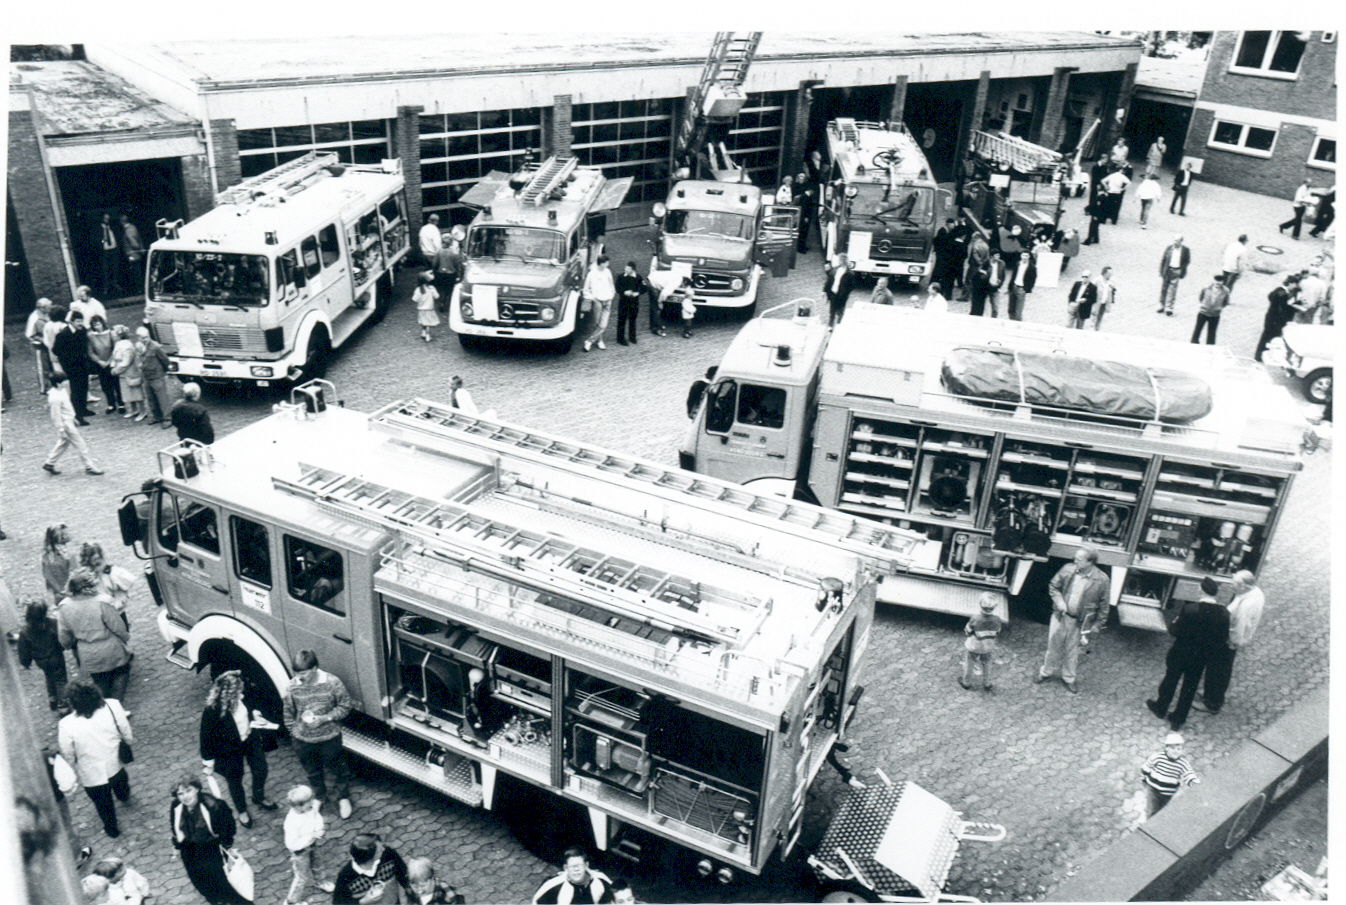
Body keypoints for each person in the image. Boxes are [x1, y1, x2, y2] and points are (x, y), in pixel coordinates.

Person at [1146, 576, 1230, 730]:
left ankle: (1161, 707)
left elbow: (1174, 630)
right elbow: (1222, 639)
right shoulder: (1224, 614)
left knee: (1170, 679)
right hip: (1201, 657)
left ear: (1201, 591)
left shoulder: (1190, 609)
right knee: (1190, 687)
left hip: (1181, 653)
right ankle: (1178, 718)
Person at [283, 649, 354, 820]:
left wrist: (325, 718)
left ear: (314, 668)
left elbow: (345, 705)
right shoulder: (292, 686)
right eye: (297, 673)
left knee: (338, 768)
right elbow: (288, 713)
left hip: (330, 737)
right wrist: (294, 734)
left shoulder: (332, 682)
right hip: (303, 740)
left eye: (303, 673)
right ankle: (319, 796)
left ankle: (343, 797)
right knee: (312, 771)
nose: (299, 677)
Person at [57, 681, 133, 838]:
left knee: (102, 803)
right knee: (120, 781)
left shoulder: (66, 725)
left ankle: (112, 829)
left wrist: (72, 766)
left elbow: (68, 751)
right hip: (115, 761)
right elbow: (124, 727)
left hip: (91, 772)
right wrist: (128, 740)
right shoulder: (112, 705)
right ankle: (123, 796)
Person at [201, 670, 276, 829]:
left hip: (249, 738)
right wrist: (208, 762)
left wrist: (255, 714)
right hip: (229, 750)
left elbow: (251, 704)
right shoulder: (212, 711)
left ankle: (258, 796)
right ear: (229, 695)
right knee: (235, 780)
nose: (242, 694)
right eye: (238, 692)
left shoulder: (242, 696)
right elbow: (206, 738)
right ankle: (241, 810)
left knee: (261, 768)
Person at [1034, 548, 1108, 694]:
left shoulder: (1102, 580)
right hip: (1060, 617)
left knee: (1072, 652)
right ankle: (1046, 672)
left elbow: (1104, 604)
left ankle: (1069, 678)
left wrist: (1098, 624)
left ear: (1090, 562)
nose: (1075, 561)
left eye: (1079, 559)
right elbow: (1053, 586)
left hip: (1080, 622)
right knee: (1053, 647)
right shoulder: (1068, 569)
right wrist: (1059, 602)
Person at [169, 776, 249, 905]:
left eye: (188, 790)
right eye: (180, 793)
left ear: (197, 789)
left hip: (212, 849)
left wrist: (226, 846)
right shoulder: (176, 805)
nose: (185, 797)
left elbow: (228, 827)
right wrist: (177, 846)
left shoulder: (214, 805)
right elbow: (175, 827)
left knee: (226, 884)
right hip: (189, 850)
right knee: (201, 883)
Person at [57, 569, 132, 700]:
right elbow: (117, 627)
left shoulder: (64, 606)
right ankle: (117, 704)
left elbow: (64, 636)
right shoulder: (103, 601)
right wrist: (125, 639)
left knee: (100, 682)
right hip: (111, 649)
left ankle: (105, 705)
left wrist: (68, 645)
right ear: (89, 586)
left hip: (88, 653)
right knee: (121, 674)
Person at [1200, 570, 1265, 715]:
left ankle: (1212, 703)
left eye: (1234, 584)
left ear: (1243, 586)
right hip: (1229, 638)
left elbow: (1239, 626)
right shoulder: (1252, 593)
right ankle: (1210, 694)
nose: (1231, 586)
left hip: (1228, 640)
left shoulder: (1247, 604)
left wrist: (1231, 642)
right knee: (1219, 669)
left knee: (1217, 670)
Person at [42, 373, 104, 476]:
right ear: (58, 384)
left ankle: (49, 463)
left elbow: (67, 407)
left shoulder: (61, 391)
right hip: (66, 425)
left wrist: (73, 417)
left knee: (63, 443)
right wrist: (61, 429)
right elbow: (56, 416)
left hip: (68, 421)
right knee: (81, 445)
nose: (67, 383)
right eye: (64, 382)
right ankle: (89, 466)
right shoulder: (55, 398)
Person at [285, 784, 336, 904]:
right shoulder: (292, 822)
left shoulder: (309, 809)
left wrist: (319, 828)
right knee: (301, 877)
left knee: (318, 864)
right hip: (300, 852)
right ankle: (291, 901)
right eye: (309, 802)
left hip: (312, 845)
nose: (313, 803)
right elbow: (292, 844)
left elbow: (316, 817)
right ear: (299, 806)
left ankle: (320, 882)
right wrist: (311, 836)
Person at [18, 599, 70, 711]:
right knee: (61, 680)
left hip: (41, 661)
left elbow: (23, 650)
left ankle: (52, 698)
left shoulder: (25, 631)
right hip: (56, 656)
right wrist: (62, 648)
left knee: (49, 677)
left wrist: (26, 663)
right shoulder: (52, 623)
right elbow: (61, 638)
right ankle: (63, 704)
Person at [332, 833, 411, 905]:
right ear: (368, 858)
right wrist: (362, 902)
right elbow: (338, 902)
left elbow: (402, 871)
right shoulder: (346, 877)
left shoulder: (388, 854)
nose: (383, 849)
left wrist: (409, 889)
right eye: (379, 851)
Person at [1140, 732, 1199, 817]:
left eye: (1179, 749)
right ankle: (1150, 821)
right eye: (1172, 748)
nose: (1176, 751)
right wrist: (1144, 778)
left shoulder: (1182, 763)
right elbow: (1146, 767)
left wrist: (1194, 782)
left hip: (1168, 793)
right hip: (1153, 789)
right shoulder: (1157, 757)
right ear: (1166, 748)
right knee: (1151, 810)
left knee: (1163, 810)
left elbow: (1188, 774)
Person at [51, 309, 95, 422]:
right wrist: (67, 358)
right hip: (71, 366)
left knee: (84, 386)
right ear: (71, 321)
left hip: (82, 363)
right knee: (76, 389)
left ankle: (83, 408)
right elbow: (56, 350)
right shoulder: (63, 334)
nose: (80, 323)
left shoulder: (82, 330)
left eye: (81, 321)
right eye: (78, 321)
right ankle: (77, 414)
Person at [532, 847, 614, 905]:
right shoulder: (552, 885)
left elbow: (615, 898)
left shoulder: (600, 880)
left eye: (579, 865)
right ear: (565, 868)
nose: (576, 869)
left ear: (586, 865)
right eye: (572, 866)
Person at [960, 593, 1004, 692]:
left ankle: (966, 683)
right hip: (988, 646)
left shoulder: (975, 618)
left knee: (970, 662)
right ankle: (987, 683)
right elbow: (997, 632)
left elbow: (967, 631)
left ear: (980, 605)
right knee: (987, 663)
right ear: (994, 607)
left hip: (974, 646)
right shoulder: (997, 620)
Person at [1253, 274, 1302, 361]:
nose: (1295, 287)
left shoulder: (1278, 290)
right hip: (1276, 320)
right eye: (1295, 284)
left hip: (1270, 317)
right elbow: (1282, 309)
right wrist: (1292, 310)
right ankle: (1262, 355)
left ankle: (1259, 355)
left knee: (1265, 336)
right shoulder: (1283, 294)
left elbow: (1270, 296)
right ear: (1290, 283)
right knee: (1271, 338)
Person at [135, 326, 174, 426]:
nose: (145, 339)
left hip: (157, 376)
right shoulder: (139, 346)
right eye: (142, 338)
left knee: (162, 398)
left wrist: (166, 372)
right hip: (146, 376)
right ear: (138, 338)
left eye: (146, 337)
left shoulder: (155, 347)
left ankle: (167, 418)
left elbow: (165, 360)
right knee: (151, 398)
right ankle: (157, 416)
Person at [581, 255, 616, 352]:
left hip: (608, 301)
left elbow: (611, 285)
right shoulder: (591, 274)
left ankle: (589, 341)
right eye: (607, 263)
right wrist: (593, 298)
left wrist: (611, 295)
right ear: (601, 263)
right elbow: (585, 290)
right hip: (598, 301)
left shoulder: (608, 271)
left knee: (603, 324)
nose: (608, 264)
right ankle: (600, 341)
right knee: (597, 323)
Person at [110, 325, 145, 420]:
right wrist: (113, 366)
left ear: (119, 335)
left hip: (130, 372)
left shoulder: (127, 346)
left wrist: (116, 370)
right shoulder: (118, 344)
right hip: (123, 373)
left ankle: (142, 411)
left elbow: (126, 362)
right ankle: (133, 410)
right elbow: (114, 357)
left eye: (113, 334)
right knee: (127, 393)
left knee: (136, 392)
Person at [42, 523, 77, 606]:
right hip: (69, 591)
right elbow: (74, 571)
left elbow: (48, 576)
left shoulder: (46, 556)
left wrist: (59, 590)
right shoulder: (69, 554)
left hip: (59, 592)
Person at [1156, 235, 1191, 316]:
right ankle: (1162, 305)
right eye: (1174, 240)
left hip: (1176, 270)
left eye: (1177, 241)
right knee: (1164, 289)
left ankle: (1169, 308)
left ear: (1181, 241)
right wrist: (1161, 271)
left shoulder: (1185, 250)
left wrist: (1181, 269)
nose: (1175, 242)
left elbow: (1187, 260)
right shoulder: (1169, 248)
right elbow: (1163, 259)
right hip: (1167, 270)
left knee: (1172, 290)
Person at [1191, 274, 1230, 345]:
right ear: (1213, 281)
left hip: (1215, 315)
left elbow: (1225, 302)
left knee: (1212, 332)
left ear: (1223, 282)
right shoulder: (1206, 288)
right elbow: (1201, 298)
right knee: (1197, 330)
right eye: (1216, 280)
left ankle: (1210, 346)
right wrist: (1204, 305)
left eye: (1220, 281)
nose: (1218, 283)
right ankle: (1194, 344)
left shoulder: (1226, 291)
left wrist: (1218, 308)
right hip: (1203, 313)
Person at [25, 297, 54, 393]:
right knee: (43, 366)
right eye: (48, 307)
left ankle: (53, 384)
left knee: (51, 364)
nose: (50, 308)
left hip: (48, 344)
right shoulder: (34, 318)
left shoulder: (47, 314)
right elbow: (30, 334)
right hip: (39, 346)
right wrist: (42, 340)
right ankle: (44, 387)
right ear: (42, 308)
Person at [614, 261, 646, 346]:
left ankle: (632, 337)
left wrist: (637, 293)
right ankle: (620, 338)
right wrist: (624, 292)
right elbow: (617, 287)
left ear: (632, 270)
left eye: (628, 269)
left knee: (633, 319)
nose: (625, 270)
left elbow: (644, 287)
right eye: (625, 268)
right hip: (623, 301)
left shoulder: (638, 277)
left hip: (634, 302)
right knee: (622, 319)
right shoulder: (621, 277)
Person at [432, 232, 462, 313]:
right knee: (449, 290)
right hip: (451, 274)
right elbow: (457, 265)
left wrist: (434, 271)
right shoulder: (454, 252)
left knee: (441, 289)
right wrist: (458, 275)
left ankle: (441, 303)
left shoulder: (438, 251)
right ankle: (448, 304)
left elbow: (434, 263)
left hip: (441, 274)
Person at [1005, 245, 1037, 321]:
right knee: (1011, 309)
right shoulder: (1018, 264)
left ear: (1029, 257)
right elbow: (1013, 275)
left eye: (1026, 256)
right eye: (1023, 255)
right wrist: (1010, 287)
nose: (1024, 257)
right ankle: (1011, 321)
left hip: (1022, 289)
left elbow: (1033, 279)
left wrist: (1026, 289)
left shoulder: (1032, 267)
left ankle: (1018, 323)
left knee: (1018, 311)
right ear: (1021, 256)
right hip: (1014, 287)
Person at [822, 254, 856, 325]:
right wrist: (824, 290)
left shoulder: (850, 274)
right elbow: (829, 280)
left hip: (842, 296)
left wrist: (845, 292)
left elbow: (852, 286)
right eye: (840, 260)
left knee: (840, 311)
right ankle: (830, 325)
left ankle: (839, 325)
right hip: (833, 293)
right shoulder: (835, 270)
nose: (840, 261)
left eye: (842, 260)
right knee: (832, 311)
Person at [119, 215, 145, 292]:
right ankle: (139, 288)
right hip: (137, 254)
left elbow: (134, 244)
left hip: (132, 255)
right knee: (138, 272)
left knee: (135, 273)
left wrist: (137, 250)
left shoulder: (128, 231)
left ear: (122, 222)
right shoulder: (133, 227)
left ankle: (138, 289)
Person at [98, 214, 121, 297]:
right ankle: (106, 287)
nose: (107, 220)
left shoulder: (112, 227)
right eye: (105, 219)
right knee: (105, 269)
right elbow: (97, 240)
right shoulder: (99, 229)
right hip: (105, 251)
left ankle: (115, 283)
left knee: (115, 267)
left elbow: (117, 236)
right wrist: (103, 240)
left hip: (114, 249)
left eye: (108, 219)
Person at [413, 272, 440, 343]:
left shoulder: (418, 289)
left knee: (423, 321)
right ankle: (428, 335)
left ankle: (423, 332)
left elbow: (414, 299)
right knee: (428, 323)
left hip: (421, 309)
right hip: (430, 309)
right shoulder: (431, 288)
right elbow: (437, 296)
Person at [1092, 267, 1117, 331]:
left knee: (1099, 319)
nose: (1111, 275)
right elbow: (1091, 291)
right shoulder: (1097, 280)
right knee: (1093, 319)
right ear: (1104, 273)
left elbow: (1112, 293)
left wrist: (1109, 305)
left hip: (1104, 304)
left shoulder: (1110, 282)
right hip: (1096, 303)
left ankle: (1097, 331)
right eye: (1109, 273)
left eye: (1111, 273)